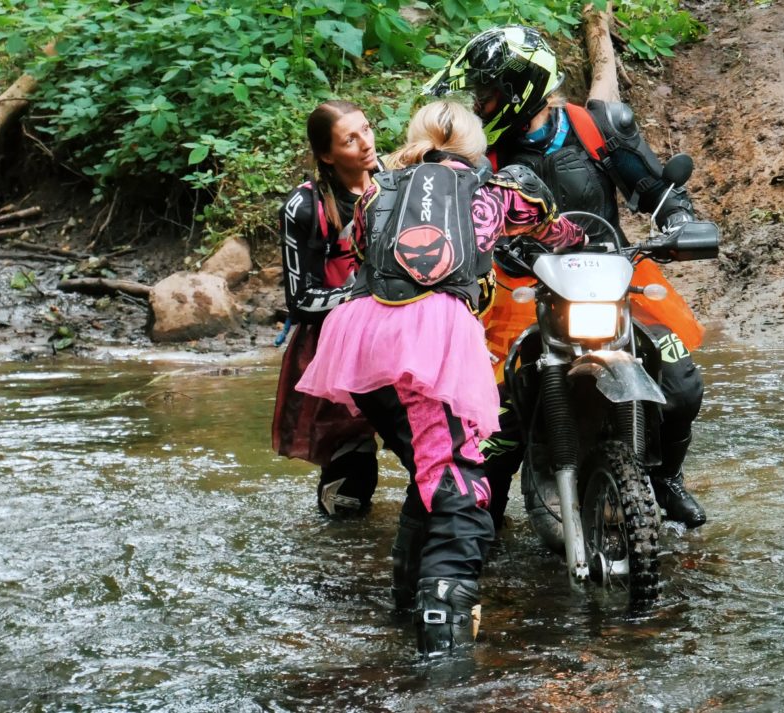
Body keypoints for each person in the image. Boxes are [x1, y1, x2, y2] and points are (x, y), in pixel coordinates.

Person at [295, 100, 586, 657]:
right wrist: (580, 240)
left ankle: (405, 606)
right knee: (459, 490)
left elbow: (362, 251)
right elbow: (559, 233)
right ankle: (443, 648)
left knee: (430, 471)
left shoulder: (380, 189)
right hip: (431, 341)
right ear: (475, 148)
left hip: (361, 341)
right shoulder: (504, 191)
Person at [424, 25, 710, 529]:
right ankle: (483, 510)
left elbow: (652, 188)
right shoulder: (477, 151)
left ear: (520, 90)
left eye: (488, 95)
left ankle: (664, 478)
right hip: (519, 280)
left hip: (613, 271)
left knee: (682, 382)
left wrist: (680, 221)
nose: (481, 105)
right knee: (498, 400)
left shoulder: (597, 126)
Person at [271, 100, 381, 516]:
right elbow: (300, 300)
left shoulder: (395, 183)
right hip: (334, 347)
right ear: (326, 155)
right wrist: (364, 296)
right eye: (350, 139)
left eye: (366, 130)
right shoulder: (304, 207)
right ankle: (341, 561)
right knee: (352, 475)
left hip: (397, 334)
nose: (366, 144)